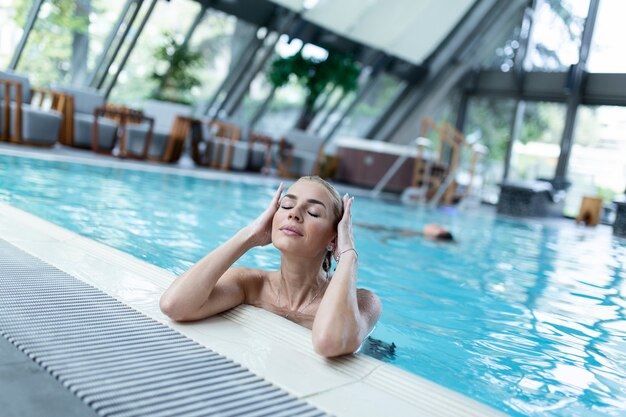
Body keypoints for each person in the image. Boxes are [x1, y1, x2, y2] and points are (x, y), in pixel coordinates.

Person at [160, 176, 382, 358]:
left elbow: (328, 343)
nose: (294, 213)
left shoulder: (363, 301)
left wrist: (348, 255)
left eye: (313, 212)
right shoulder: (252, 284)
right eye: (286, 205)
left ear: (333, 238)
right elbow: (174, 305)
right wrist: (250, 235)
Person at [354, 222, 455, 243]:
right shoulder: (416, 234)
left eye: (437, 227)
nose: (434, 224)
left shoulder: (415, 235)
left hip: (379, 229)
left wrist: (384, 239)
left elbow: (394, 235)